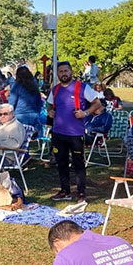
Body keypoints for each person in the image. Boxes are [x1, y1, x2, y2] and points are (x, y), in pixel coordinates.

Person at [46, 61, 101, 202]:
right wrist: (50, 111)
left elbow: (97, 103)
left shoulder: (82, 87)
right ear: (57, 74)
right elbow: (49, 104)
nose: (63, 74)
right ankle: (65, 191)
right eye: (61, 71)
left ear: (71, 72)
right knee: (61, 163)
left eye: (66, 71)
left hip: (75, 134)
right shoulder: (55, 89)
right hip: (58, 133)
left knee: (78, 164)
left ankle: (81, 192)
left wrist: (85, 113)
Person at [8, 66, 44, 132]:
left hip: (20, 114)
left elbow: (12, 102)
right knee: (33, 135)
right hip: (34, 114)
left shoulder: (16, 85)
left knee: (20, 136)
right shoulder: (34, 85)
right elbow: (39, 101)